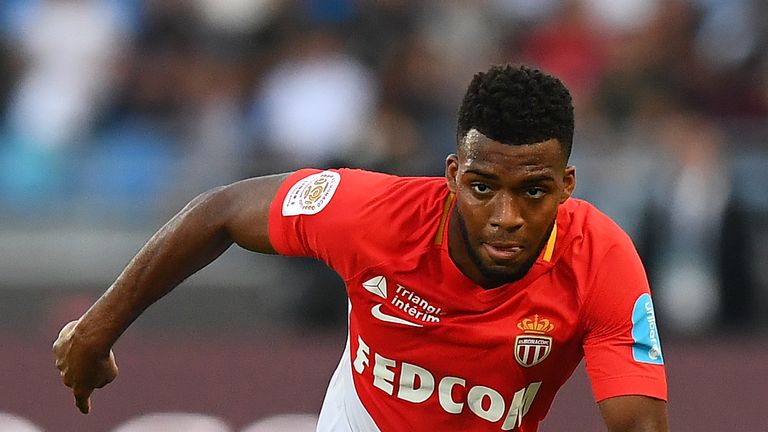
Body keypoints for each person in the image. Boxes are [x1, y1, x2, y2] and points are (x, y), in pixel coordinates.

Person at [53, 64, 668, 431]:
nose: (506, 217)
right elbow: (217, 213)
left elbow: (639, 424)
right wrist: (95, 330)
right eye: (483, 187)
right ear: (452, 175)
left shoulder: (601, 260)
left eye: (533, 191)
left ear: (566, 187)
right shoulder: (370, 215)